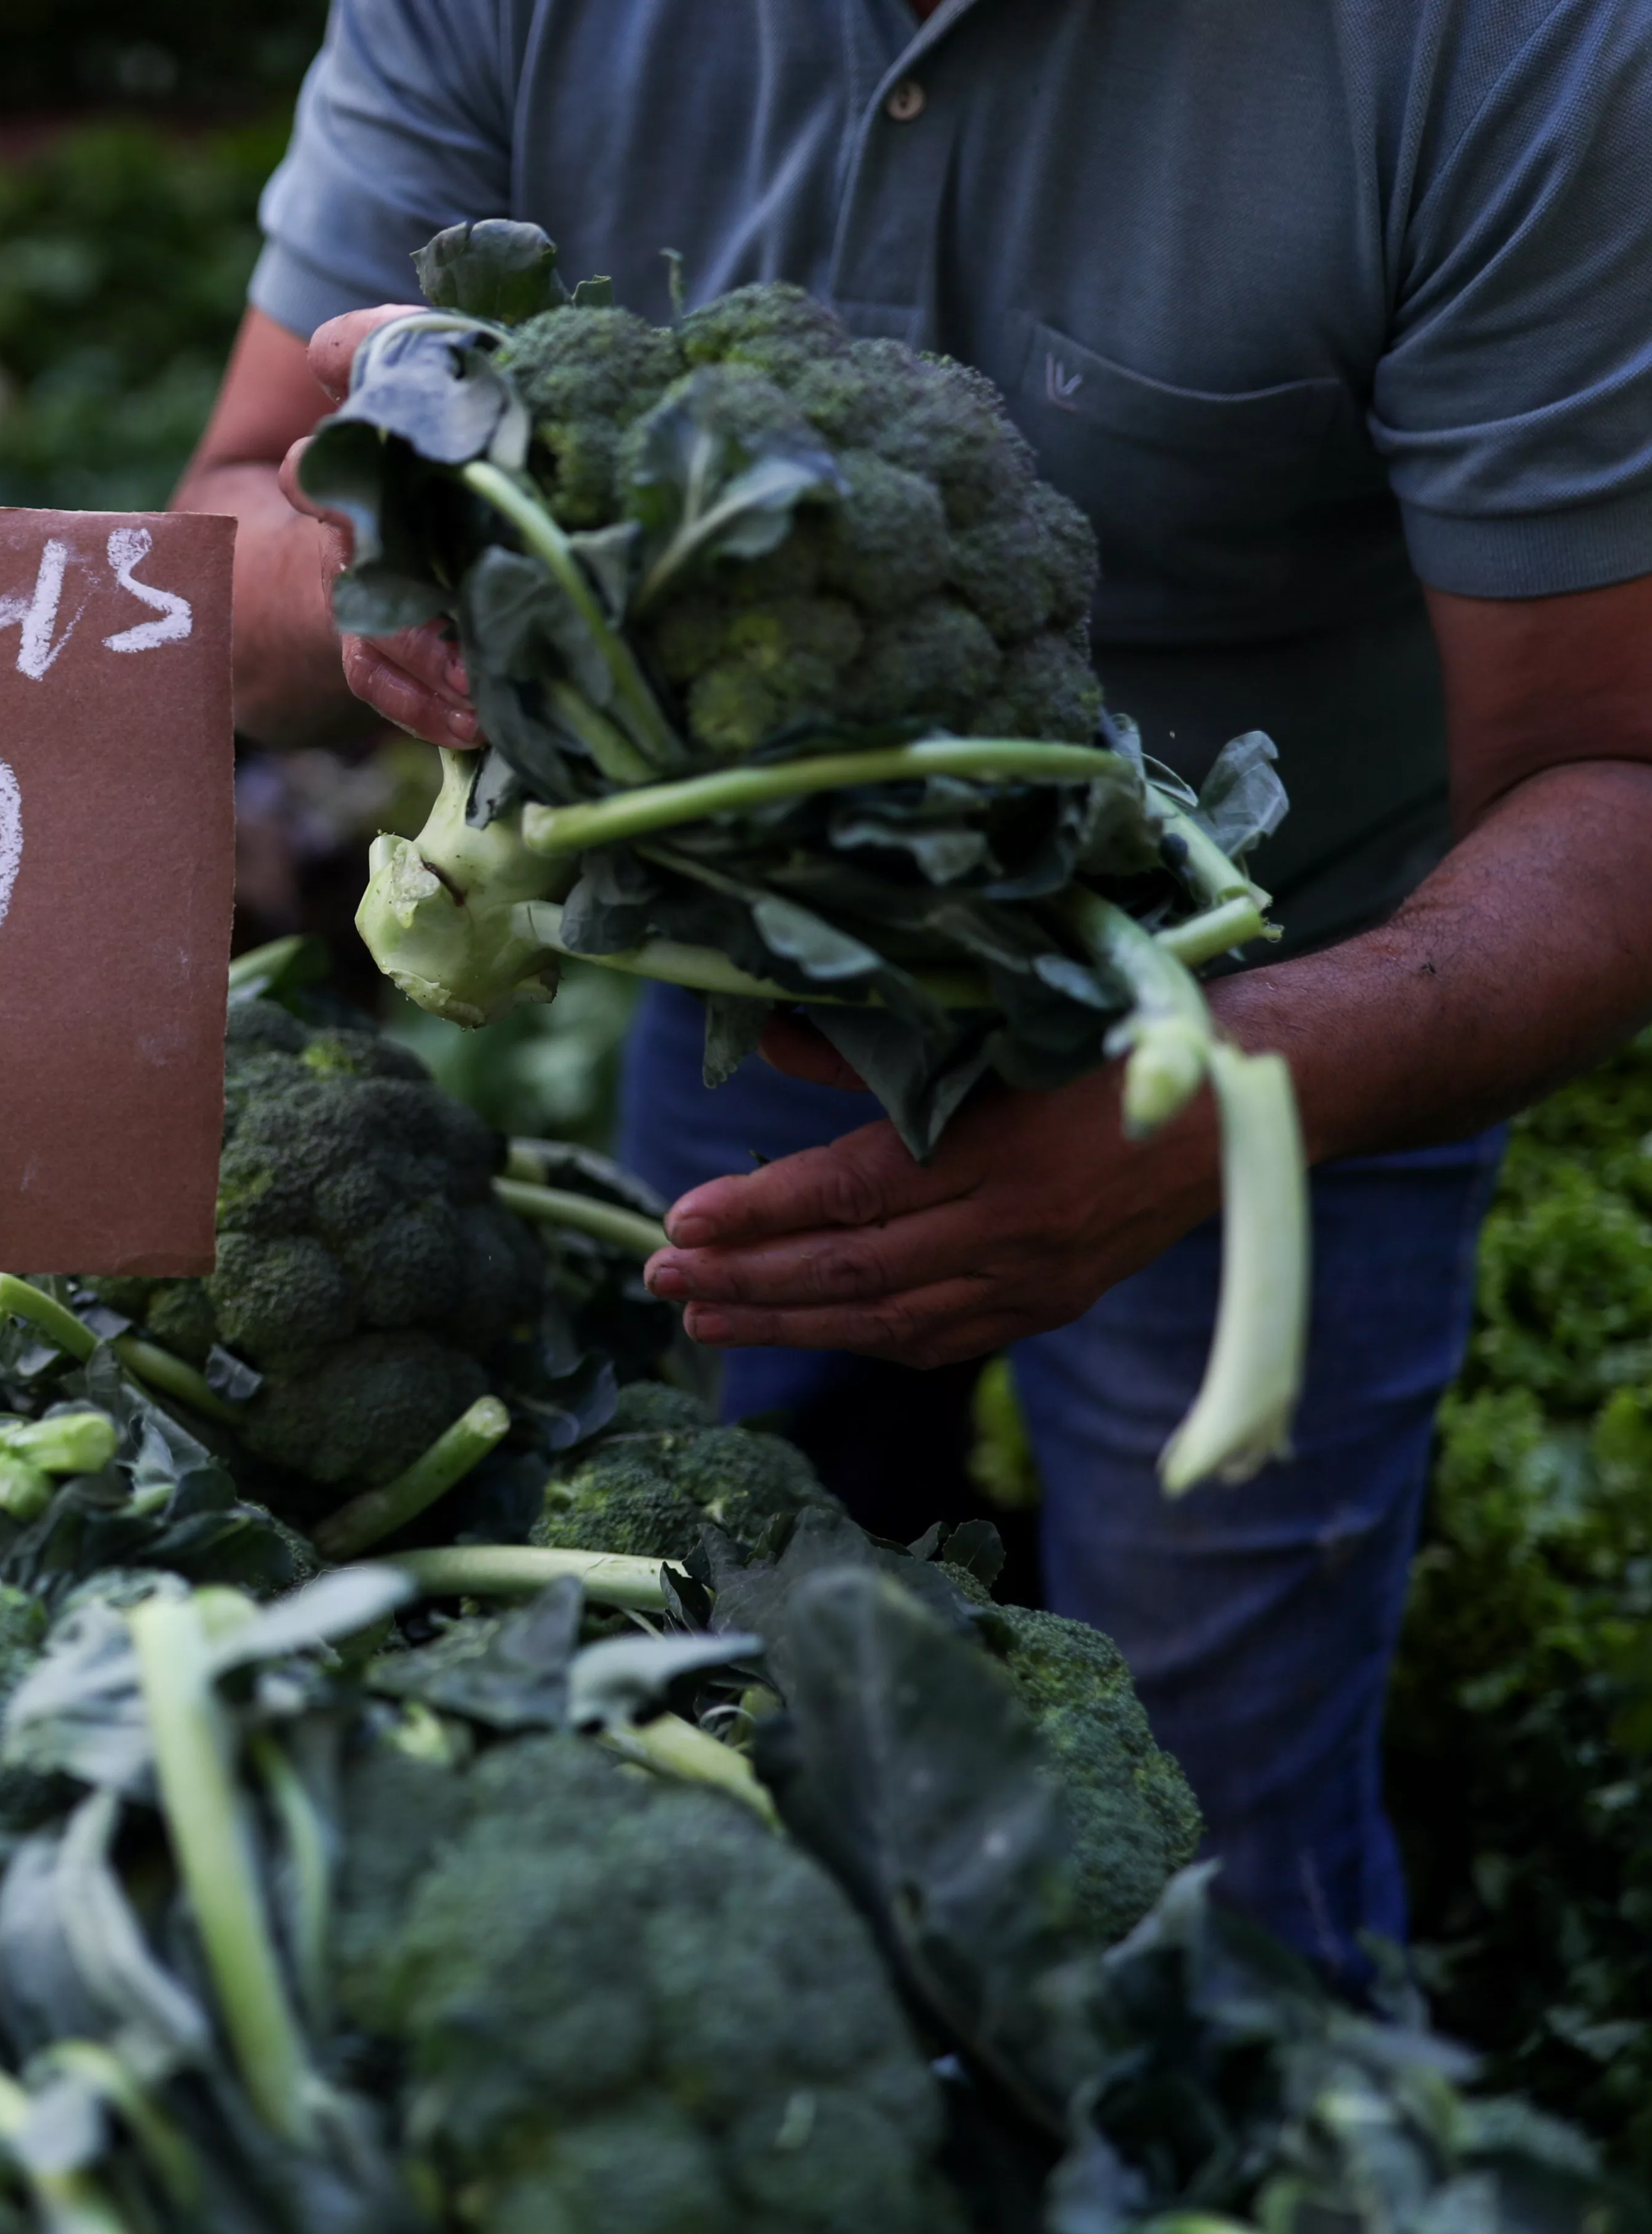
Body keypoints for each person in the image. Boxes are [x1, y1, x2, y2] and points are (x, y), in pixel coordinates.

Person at [178, 0, 1652, 1980]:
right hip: (737, 1002)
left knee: (1220, 1836)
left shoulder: (1509, 48)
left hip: (1280, 1016)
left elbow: (1614, 781)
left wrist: (1231, 1092)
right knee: (702, 1660)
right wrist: (411, 574)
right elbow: (226, 520)